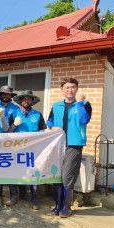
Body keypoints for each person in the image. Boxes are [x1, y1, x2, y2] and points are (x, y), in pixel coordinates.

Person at [46, 77, 91, 218]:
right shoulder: (57, 106)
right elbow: (49, 120)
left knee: (67, 177)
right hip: (57, 144)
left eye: (72, 87)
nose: (70, 90)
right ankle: (58, 205)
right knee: (57, 176)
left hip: (74, 144)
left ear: (77, 89)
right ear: (62, 90)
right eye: (67, 87)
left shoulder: (84, 104)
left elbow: (84, 120)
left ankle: (66, 206)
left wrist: (80, 103)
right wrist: (52, 127)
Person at [6, 90, 47, 210]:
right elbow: (7, 132)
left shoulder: (38, 115)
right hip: (16, 149)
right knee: (13, 172)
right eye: (24, 99)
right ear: (20, 101)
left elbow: (43, 132)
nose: (26, 101)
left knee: (33, 173)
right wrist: (14, 125)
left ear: (32, 101)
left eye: (29, 99)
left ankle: (34, 198)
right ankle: (13, 196)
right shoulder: (14, 113)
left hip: (33, 150)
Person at [0, 85, 20, 199]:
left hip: (10, 142)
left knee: (11, 168)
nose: (6, 96)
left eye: (8, 94)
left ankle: (13, 195)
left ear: (11, 96)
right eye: (4, 94)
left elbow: (16, 124)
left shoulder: (16, 109)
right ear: (0, 95)